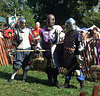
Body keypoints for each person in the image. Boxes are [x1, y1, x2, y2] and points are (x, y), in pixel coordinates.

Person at [35, 14, 65, 87]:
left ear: (54, 21)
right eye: (49, 20)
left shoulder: (57, 28)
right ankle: (49, 79)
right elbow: (41, 41)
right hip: (46, 52)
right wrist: (38, 48)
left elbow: (63, 35)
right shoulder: (43, 30)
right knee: (47, 67)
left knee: (54, 67)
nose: (50, 22)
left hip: (54, 51)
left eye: (52, 20)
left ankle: (55, 81)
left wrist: (57, 38)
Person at [60, 18, 85, 90]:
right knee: (68, 70)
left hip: (74, 55)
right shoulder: (67, 34)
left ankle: (82, 85)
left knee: (77, 71)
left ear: (71, 25)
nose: (66, 27)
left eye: (67, 26)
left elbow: (79, 46)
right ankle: (66, 84)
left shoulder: (77, 33)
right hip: (67, 55)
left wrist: (78, 55)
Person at [9, 18, 32, 83]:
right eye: (22, 23)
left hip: (27, 49)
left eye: (24, 23)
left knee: (26, 65)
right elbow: (14, 40)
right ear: (20, 24)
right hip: (19, 49)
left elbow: (31, 40)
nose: (23, 24)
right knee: (16, 64)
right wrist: (15, 42)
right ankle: (12, 77)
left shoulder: (28, 30)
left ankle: (24, 78)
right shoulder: (16, 31)